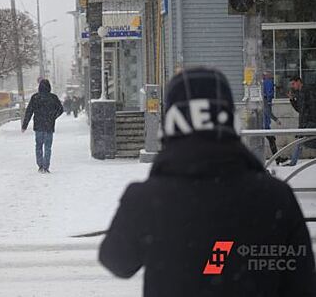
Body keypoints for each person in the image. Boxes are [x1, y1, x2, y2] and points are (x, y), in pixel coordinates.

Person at [99, 68, 316, 297]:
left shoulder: (147, 199)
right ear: (229, 120)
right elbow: (302, 284)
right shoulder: (275, 196)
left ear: (171, 125)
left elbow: (117, 261)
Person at [21, 79, 63, 173]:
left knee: (38, 146)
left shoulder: (35, 97)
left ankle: (40, 165)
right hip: (49, 126)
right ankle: (46, 166)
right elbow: (60, 109)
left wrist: (24, 125)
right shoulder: (53, 97)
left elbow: (29, 112)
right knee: (48, 147)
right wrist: (53, 116)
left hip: (38, 125)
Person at [287, 76, 316, 166]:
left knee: (305, 141)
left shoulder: (308, 91)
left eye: (293, 83)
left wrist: (310, 121)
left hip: (310, 122)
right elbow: (300, 109)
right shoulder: (299, 93)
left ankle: (293, 162)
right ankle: (293, 162)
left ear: (299, 81)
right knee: (300, 141)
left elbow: (312, 107)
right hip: (304, 122)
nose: (292, 86)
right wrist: (292, 100)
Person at [262, 72, 287, 165]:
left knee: (272, 139)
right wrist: (276, 120)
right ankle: (277, 159)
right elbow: (267, 112)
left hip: (264, 125)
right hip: (263, 126)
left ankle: (277, 159)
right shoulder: (265, 100)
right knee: (271, 140)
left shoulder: (264, 98)